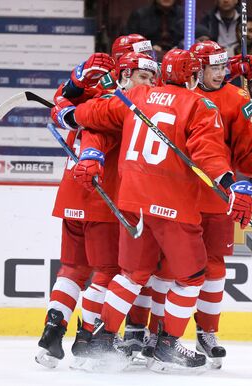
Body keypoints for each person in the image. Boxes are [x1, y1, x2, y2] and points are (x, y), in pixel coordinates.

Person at [50, 47, 252, 372]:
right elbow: (209, 154)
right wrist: (230, 185)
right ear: (191, 76)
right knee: (192, 277)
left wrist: (65, 114)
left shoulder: (138, 96)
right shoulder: (199, 105)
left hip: (132, 202)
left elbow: (92, 114)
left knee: (131, 275)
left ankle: (101, 340)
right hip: (172, 204)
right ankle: (167, 346)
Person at [132, 41, 252, 370]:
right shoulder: (171, 93)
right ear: (195, 69)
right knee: (165, 271)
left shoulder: (237, 99)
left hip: (217, 196)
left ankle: (206, 332)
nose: (221, 74)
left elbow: (249, 150)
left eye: (224, 67)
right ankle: (156, 335)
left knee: (214, 268)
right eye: (214, 68)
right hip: (173, 196)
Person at [35, 50, 159, 369]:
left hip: (71, 196)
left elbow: (62, 100)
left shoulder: (95, 96)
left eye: (153, 78)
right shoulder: (118, 105)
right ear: (125, 76)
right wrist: (92, 155)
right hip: (100, 198)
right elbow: (95, 135)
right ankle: (87, 339)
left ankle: (52, 333)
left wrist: (74, 85)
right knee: (107, 271)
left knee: (73, 269)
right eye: (143, 77)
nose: (149, 84)